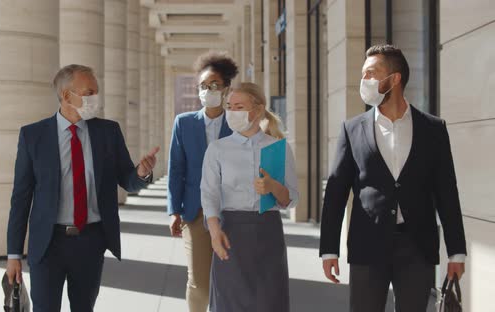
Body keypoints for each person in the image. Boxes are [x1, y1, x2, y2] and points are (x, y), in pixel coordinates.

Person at [319, 44, 467, 312]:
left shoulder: (433, 129)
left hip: (418, 248)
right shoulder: (352, 129)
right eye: (363, 74)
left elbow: (447, 191)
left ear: (394, 78)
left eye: (371, 73)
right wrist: (329, 249)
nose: (364, 81)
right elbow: (336, 192)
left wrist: (456, 251)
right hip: (367, 245)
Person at [5, 64, 159, 312]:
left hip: (90, 240)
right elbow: (20, 198)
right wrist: (13, 254)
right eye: (89, 93)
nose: (95, 99)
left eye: (96, 92)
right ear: (67, 96)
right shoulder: (33, 136)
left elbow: (127, 179)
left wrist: (142, 172)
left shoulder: (108, 132)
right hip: (47, 243)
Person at [201, 82, 298, 312]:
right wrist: (215, 233)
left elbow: (291, 199)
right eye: (230, 106)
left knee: (269, 302)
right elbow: (209, 193)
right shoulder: (217, 149)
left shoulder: (279, 148)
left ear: (257, 110)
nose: (232, 112)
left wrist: (272, 186)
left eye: (239, 106)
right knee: (229, 303)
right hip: (230, 231)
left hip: (268, 231)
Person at [167, 51, 238, 311]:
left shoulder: (238, 124)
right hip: (195, 212)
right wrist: (174, 211)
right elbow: (176, 169)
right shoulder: (183, 123)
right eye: (203, 86)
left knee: (230, 280)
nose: (208, 90)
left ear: (227, 89)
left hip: (232, 212)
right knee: (198, 282)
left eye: (214, 85)